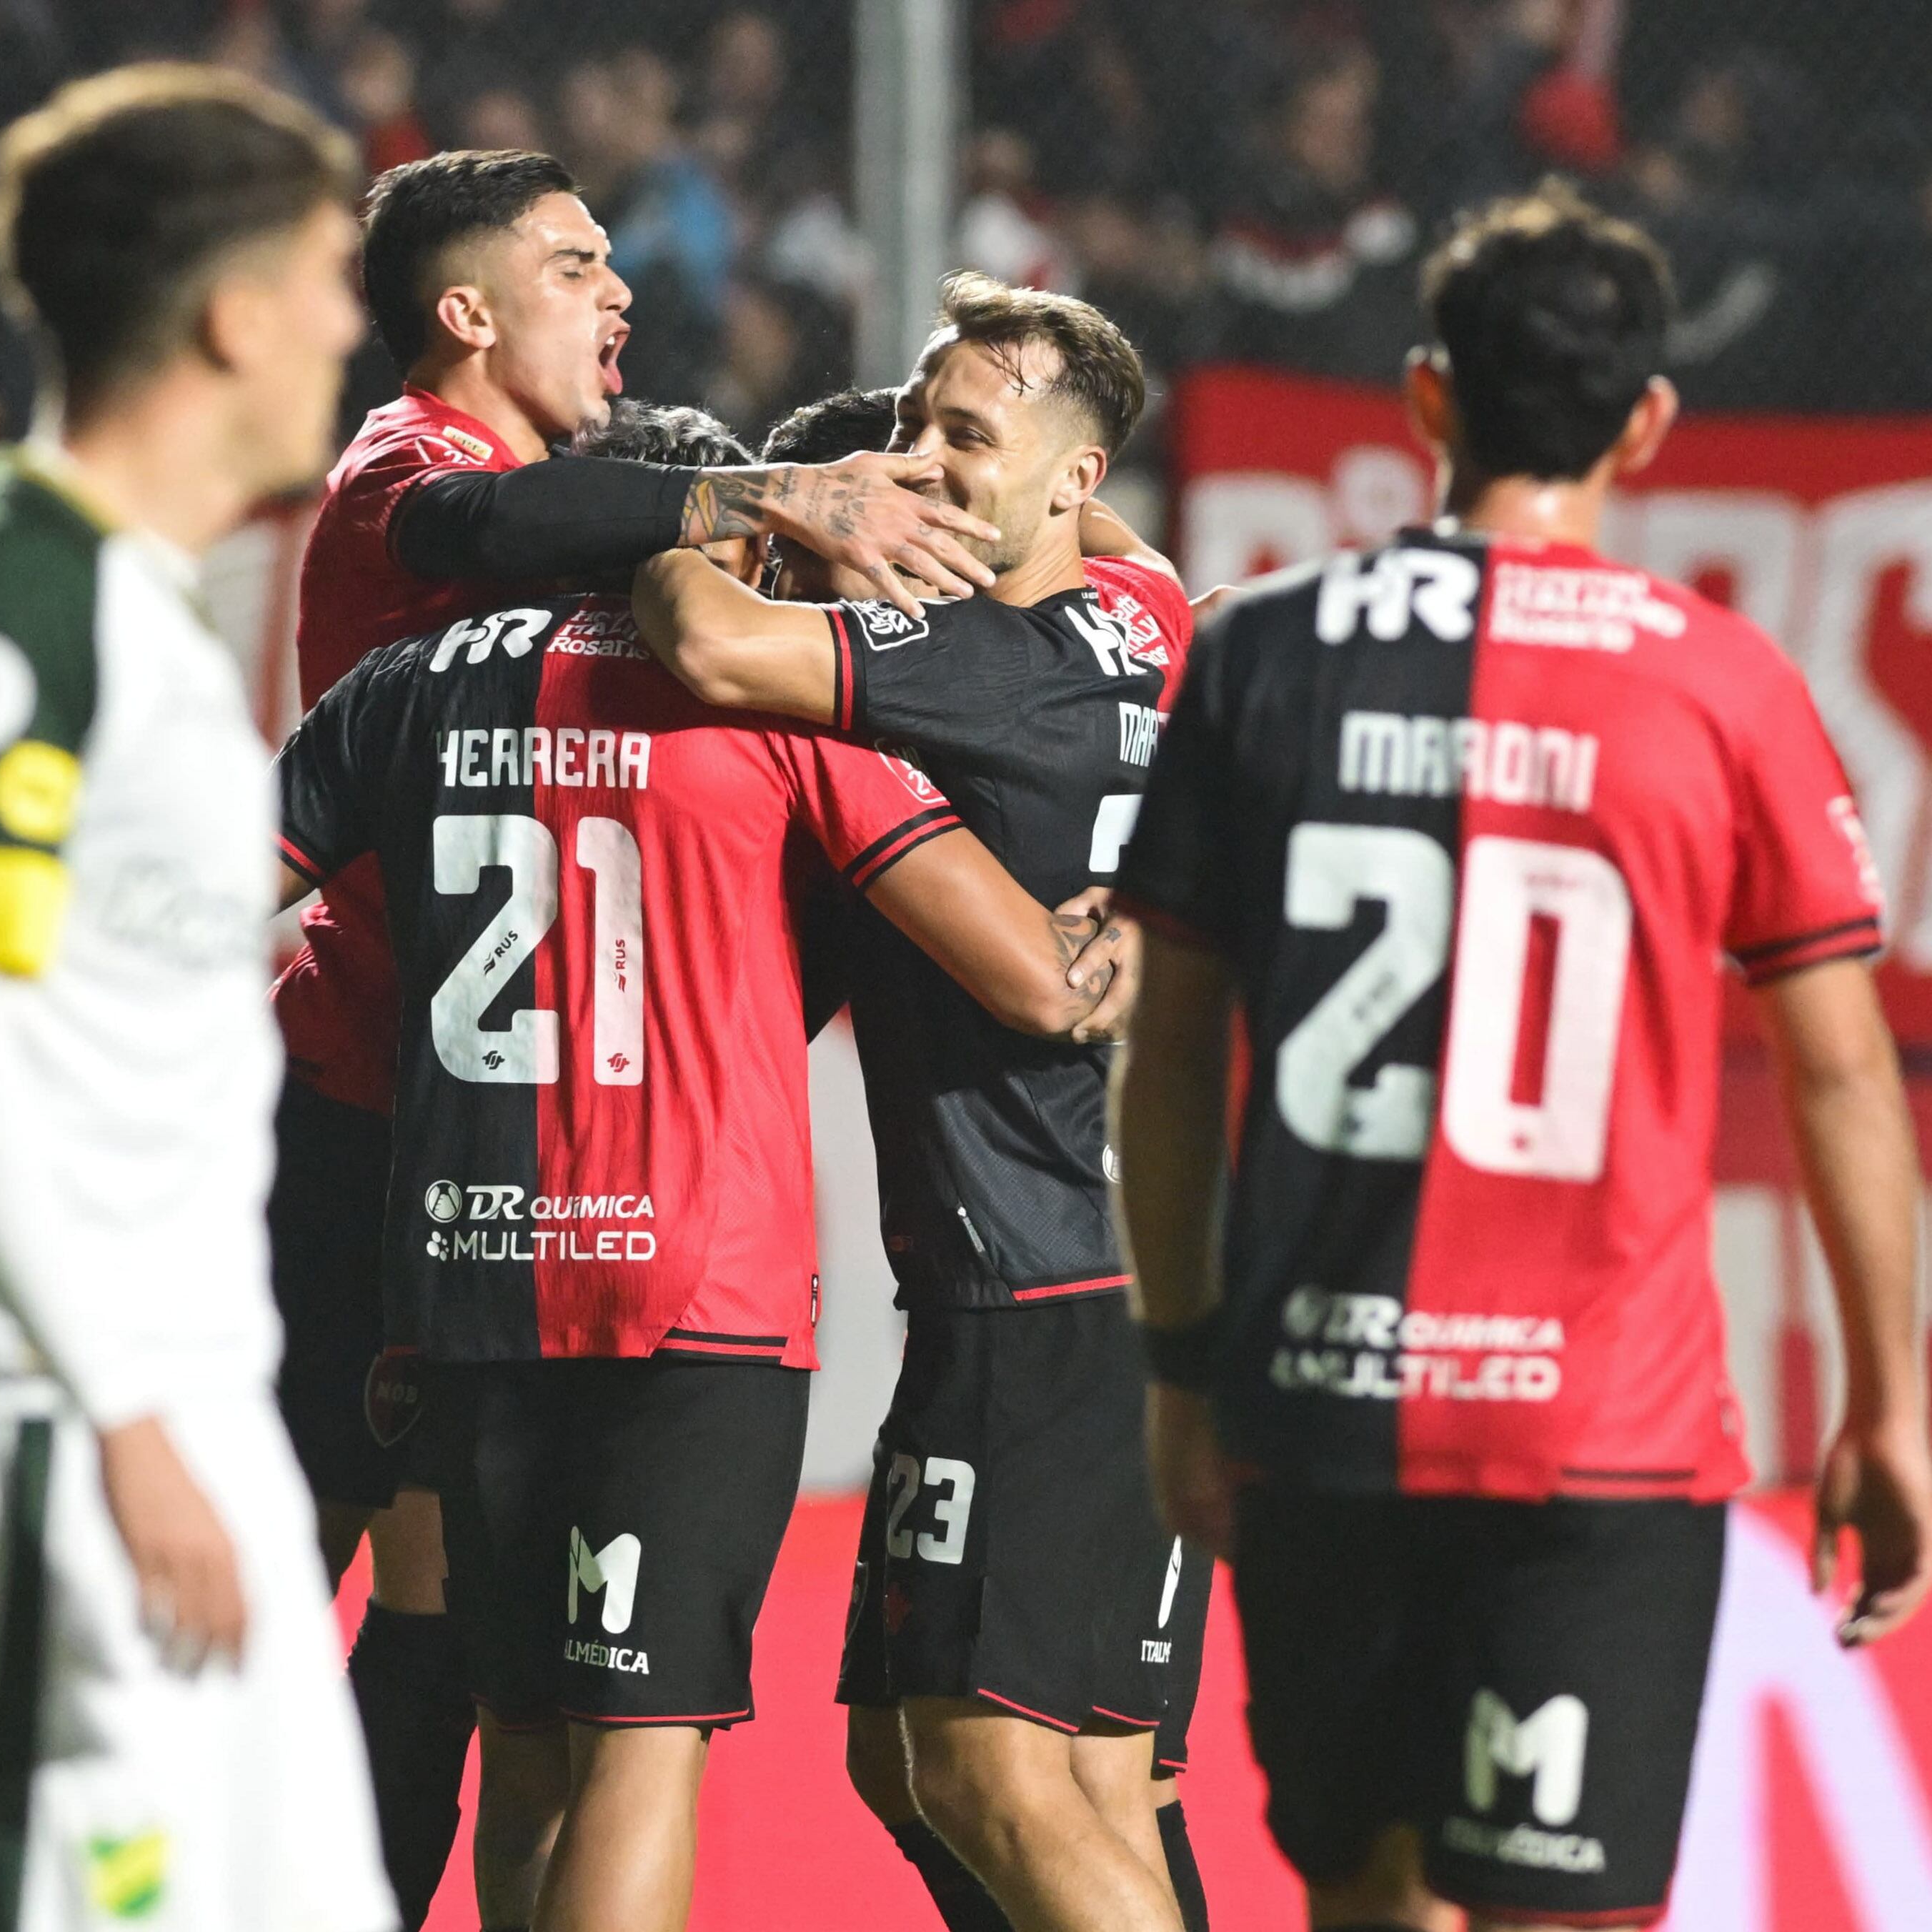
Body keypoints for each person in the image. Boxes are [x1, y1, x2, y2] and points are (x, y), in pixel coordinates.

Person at [1109, 183, 1932, 1932]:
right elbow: (1846, 1072)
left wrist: (1183, 1367)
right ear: (1647, 420)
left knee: (1367, 1896)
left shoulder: (1255, 651)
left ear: (1426, 397)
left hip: (1323, 1406)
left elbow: (1168, 1053)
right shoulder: (1722, 684)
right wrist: (1892, 1403)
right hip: (1602, 1435)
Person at [277, 401, 1130, 1932]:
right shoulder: (781, 718)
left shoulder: (398, 692)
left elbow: (209, 896)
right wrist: (1130, 927)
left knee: (525, 1750)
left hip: (472, 1281)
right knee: (635, 1761)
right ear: (730, 530)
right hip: (690, 1300)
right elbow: (1028, 976)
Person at [0, 66, 394, 1932]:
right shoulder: (1, 599)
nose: (342, 326)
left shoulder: (142, 614)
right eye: (324, 276)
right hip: (47, 1416)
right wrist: (128, 1411)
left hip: (185, 1406)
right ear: (230, 316)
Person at [632, 277, 1210, 1932]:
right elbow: (1161, 581)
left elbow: (710, 643)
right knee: (1019, 1765)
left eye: (969, 433)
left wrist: (692, 527)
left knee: (982, 1769)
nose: (918, 463)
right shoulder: (1144, 617)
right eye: (908, 424)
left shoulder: (963, 659)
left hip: (1034, 1282)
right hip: (1143, 1267)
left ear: (1071, 478)